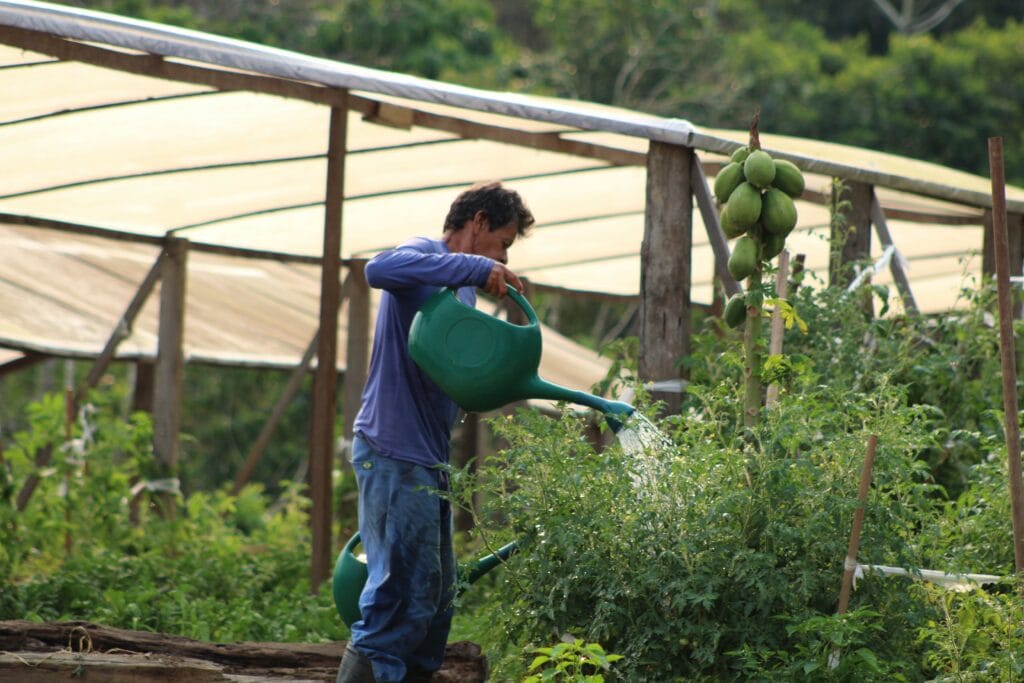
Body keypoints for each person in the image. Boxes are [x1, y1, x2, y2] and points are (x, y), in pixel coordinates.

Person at [337, 182, 535, 683]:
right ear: (480, 223)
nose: (502, 256)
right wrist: (476, 266)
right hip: (391, 450)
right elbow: (376, 269)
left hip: (427, 459)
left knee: (434, 600)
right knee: (397, 598)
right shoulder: (424, 255)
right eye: (504, 243)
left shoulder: (462, 290)